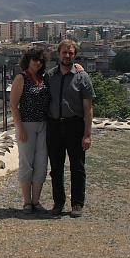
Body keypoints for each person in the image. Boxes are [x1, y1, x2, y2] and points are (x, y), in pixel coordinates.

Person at [46, 39, 95, 218]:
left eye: (71, 53)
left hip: (74, 125)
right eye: (64, 52)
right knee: (56, 168)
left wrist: (87, 134)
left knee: (77, 167)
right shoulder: (50, 76)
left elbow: (88, 108)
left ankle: (77, 204)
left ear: (75, 55)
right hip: (54, 126)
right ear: (58, 54)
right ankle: (58, 202)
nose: (67, 55)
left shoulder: (82, 77)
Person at [10, 48, 52, 214]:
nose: (38, 62)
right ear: (28, 60)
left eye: (40, 60)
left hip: (43, 125)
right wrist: (19, 127)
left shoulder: (43, 79)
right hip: (26, 125)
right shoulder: (21, 78)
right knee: (26, 163)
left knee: (41, 163)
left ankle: (36, 201)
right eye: (35, 59)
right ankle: (27, 202)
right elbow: (13, 105)